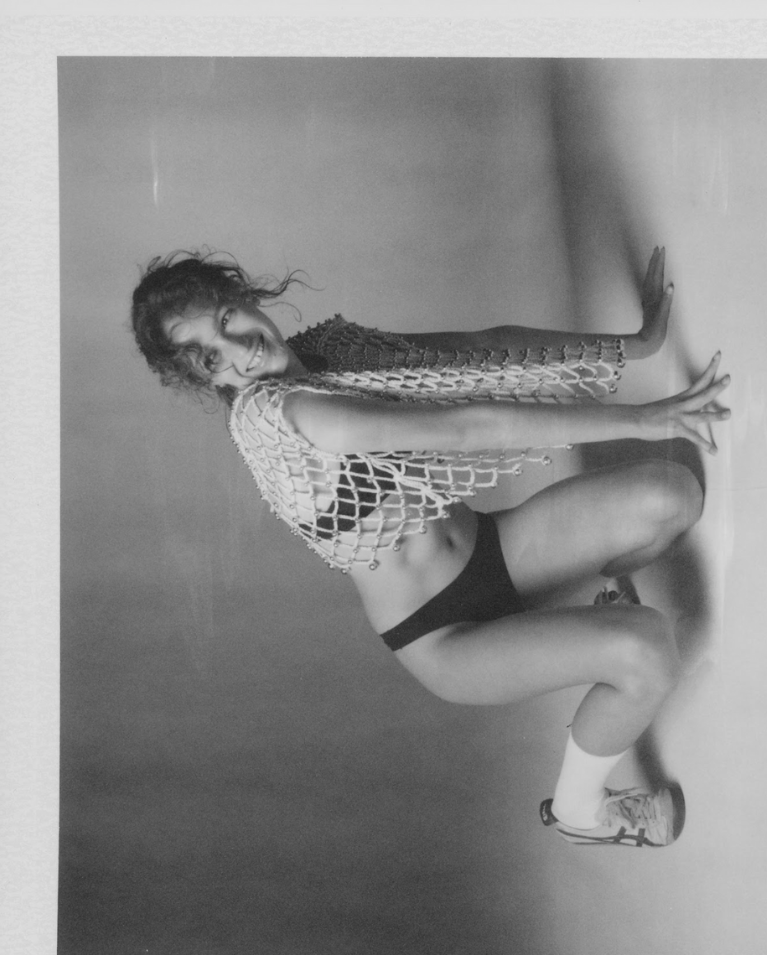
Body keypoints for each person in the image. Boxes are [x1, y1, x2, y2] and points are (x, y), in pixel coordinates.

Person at [131, 247, 730, 848]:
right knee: (648, 649)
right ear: (206, 380)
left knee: (671, 495)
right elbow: (470, 426)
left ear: (246, 298)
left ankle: (570, 625)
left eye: (229, 318)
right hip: (446, 637)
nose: (243, 348)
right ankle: (577, 809)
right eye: (213, 357)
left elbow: (479, 347)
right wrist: (644, 418)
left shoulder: (327, 353)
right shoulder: (286, 412)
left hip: (496, 553)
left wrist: (634, 343)